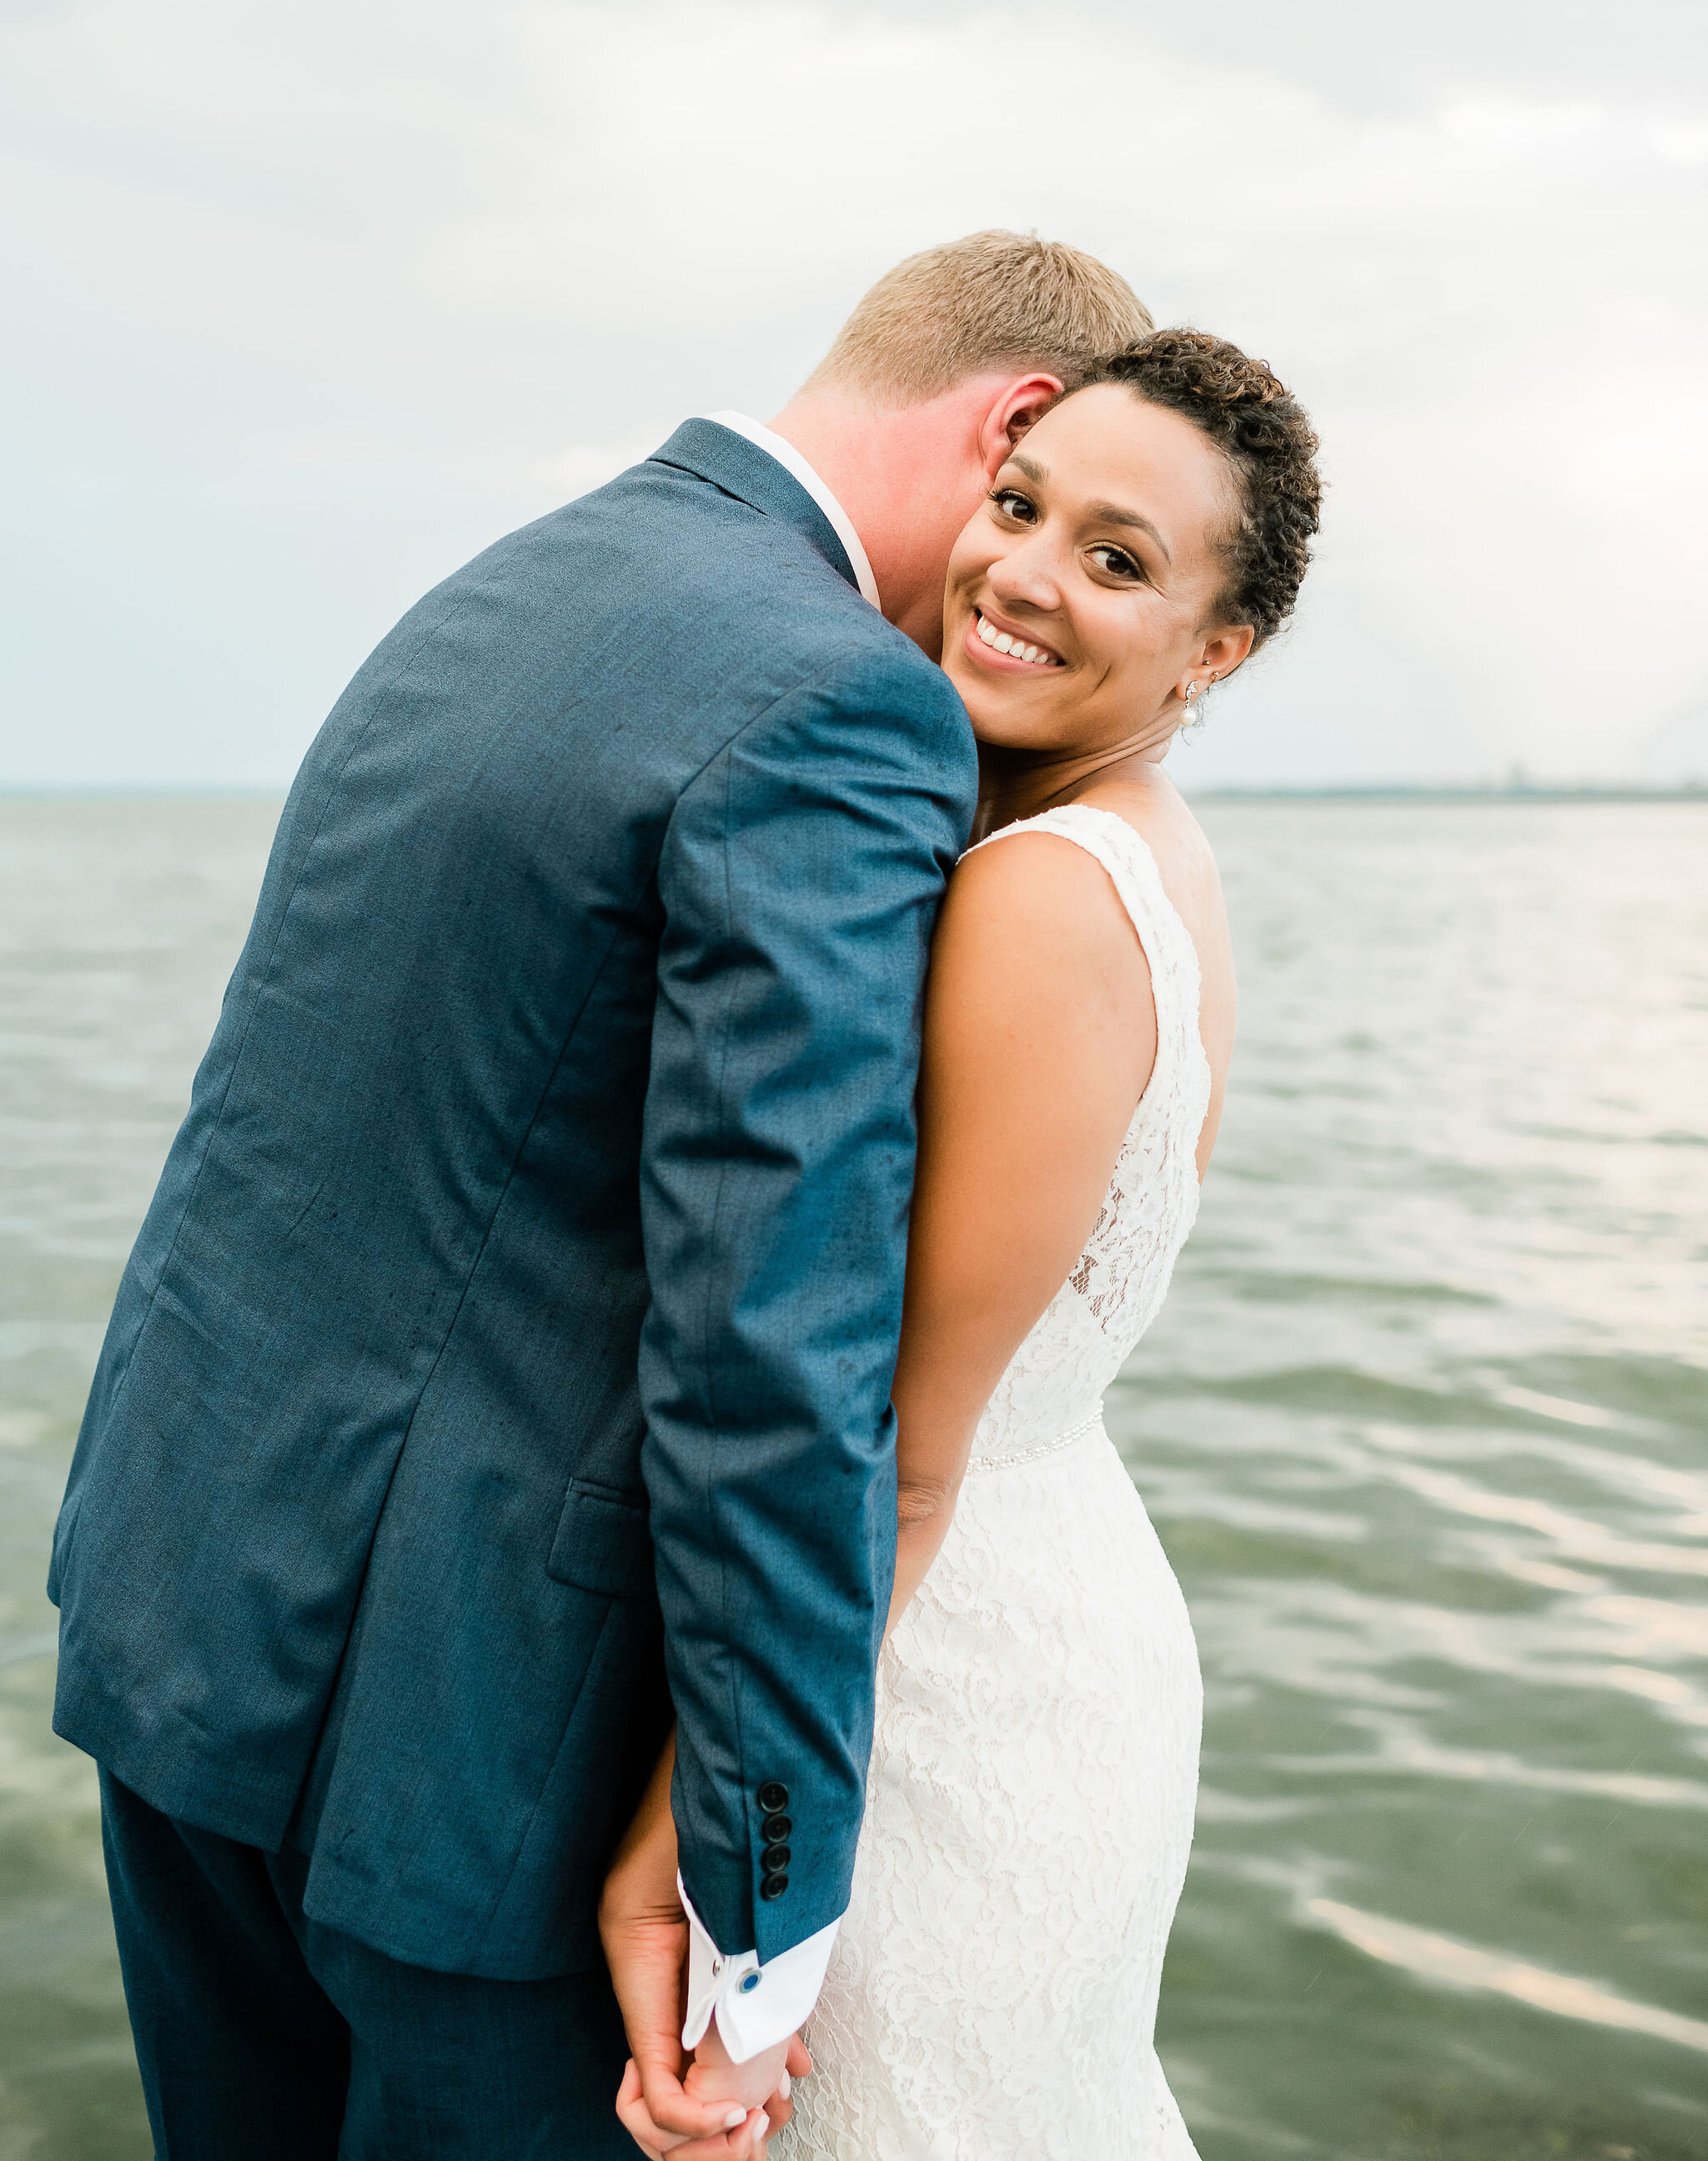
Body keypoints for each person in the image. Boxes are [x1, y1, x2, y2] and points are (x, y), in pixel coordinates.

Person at [47, 231, 1150, 2158]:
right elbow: (768, 1342)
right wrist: (758, 1900)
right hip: (466, 1779)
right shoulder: (837, 704)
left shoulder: (518, 580)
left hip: (186, 1631)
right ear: (1021, 426)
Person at [786, 331, 1321, 2155]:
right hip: (1056, 1608)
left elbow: (907, 1464)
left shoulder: (1037, 894)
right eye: (1018, 508)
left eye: (1117, 559)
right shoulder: (1139, 843)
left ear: (1215, 647)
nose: (1019, 573)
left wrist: (706, 1830)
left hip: (949, 1690)